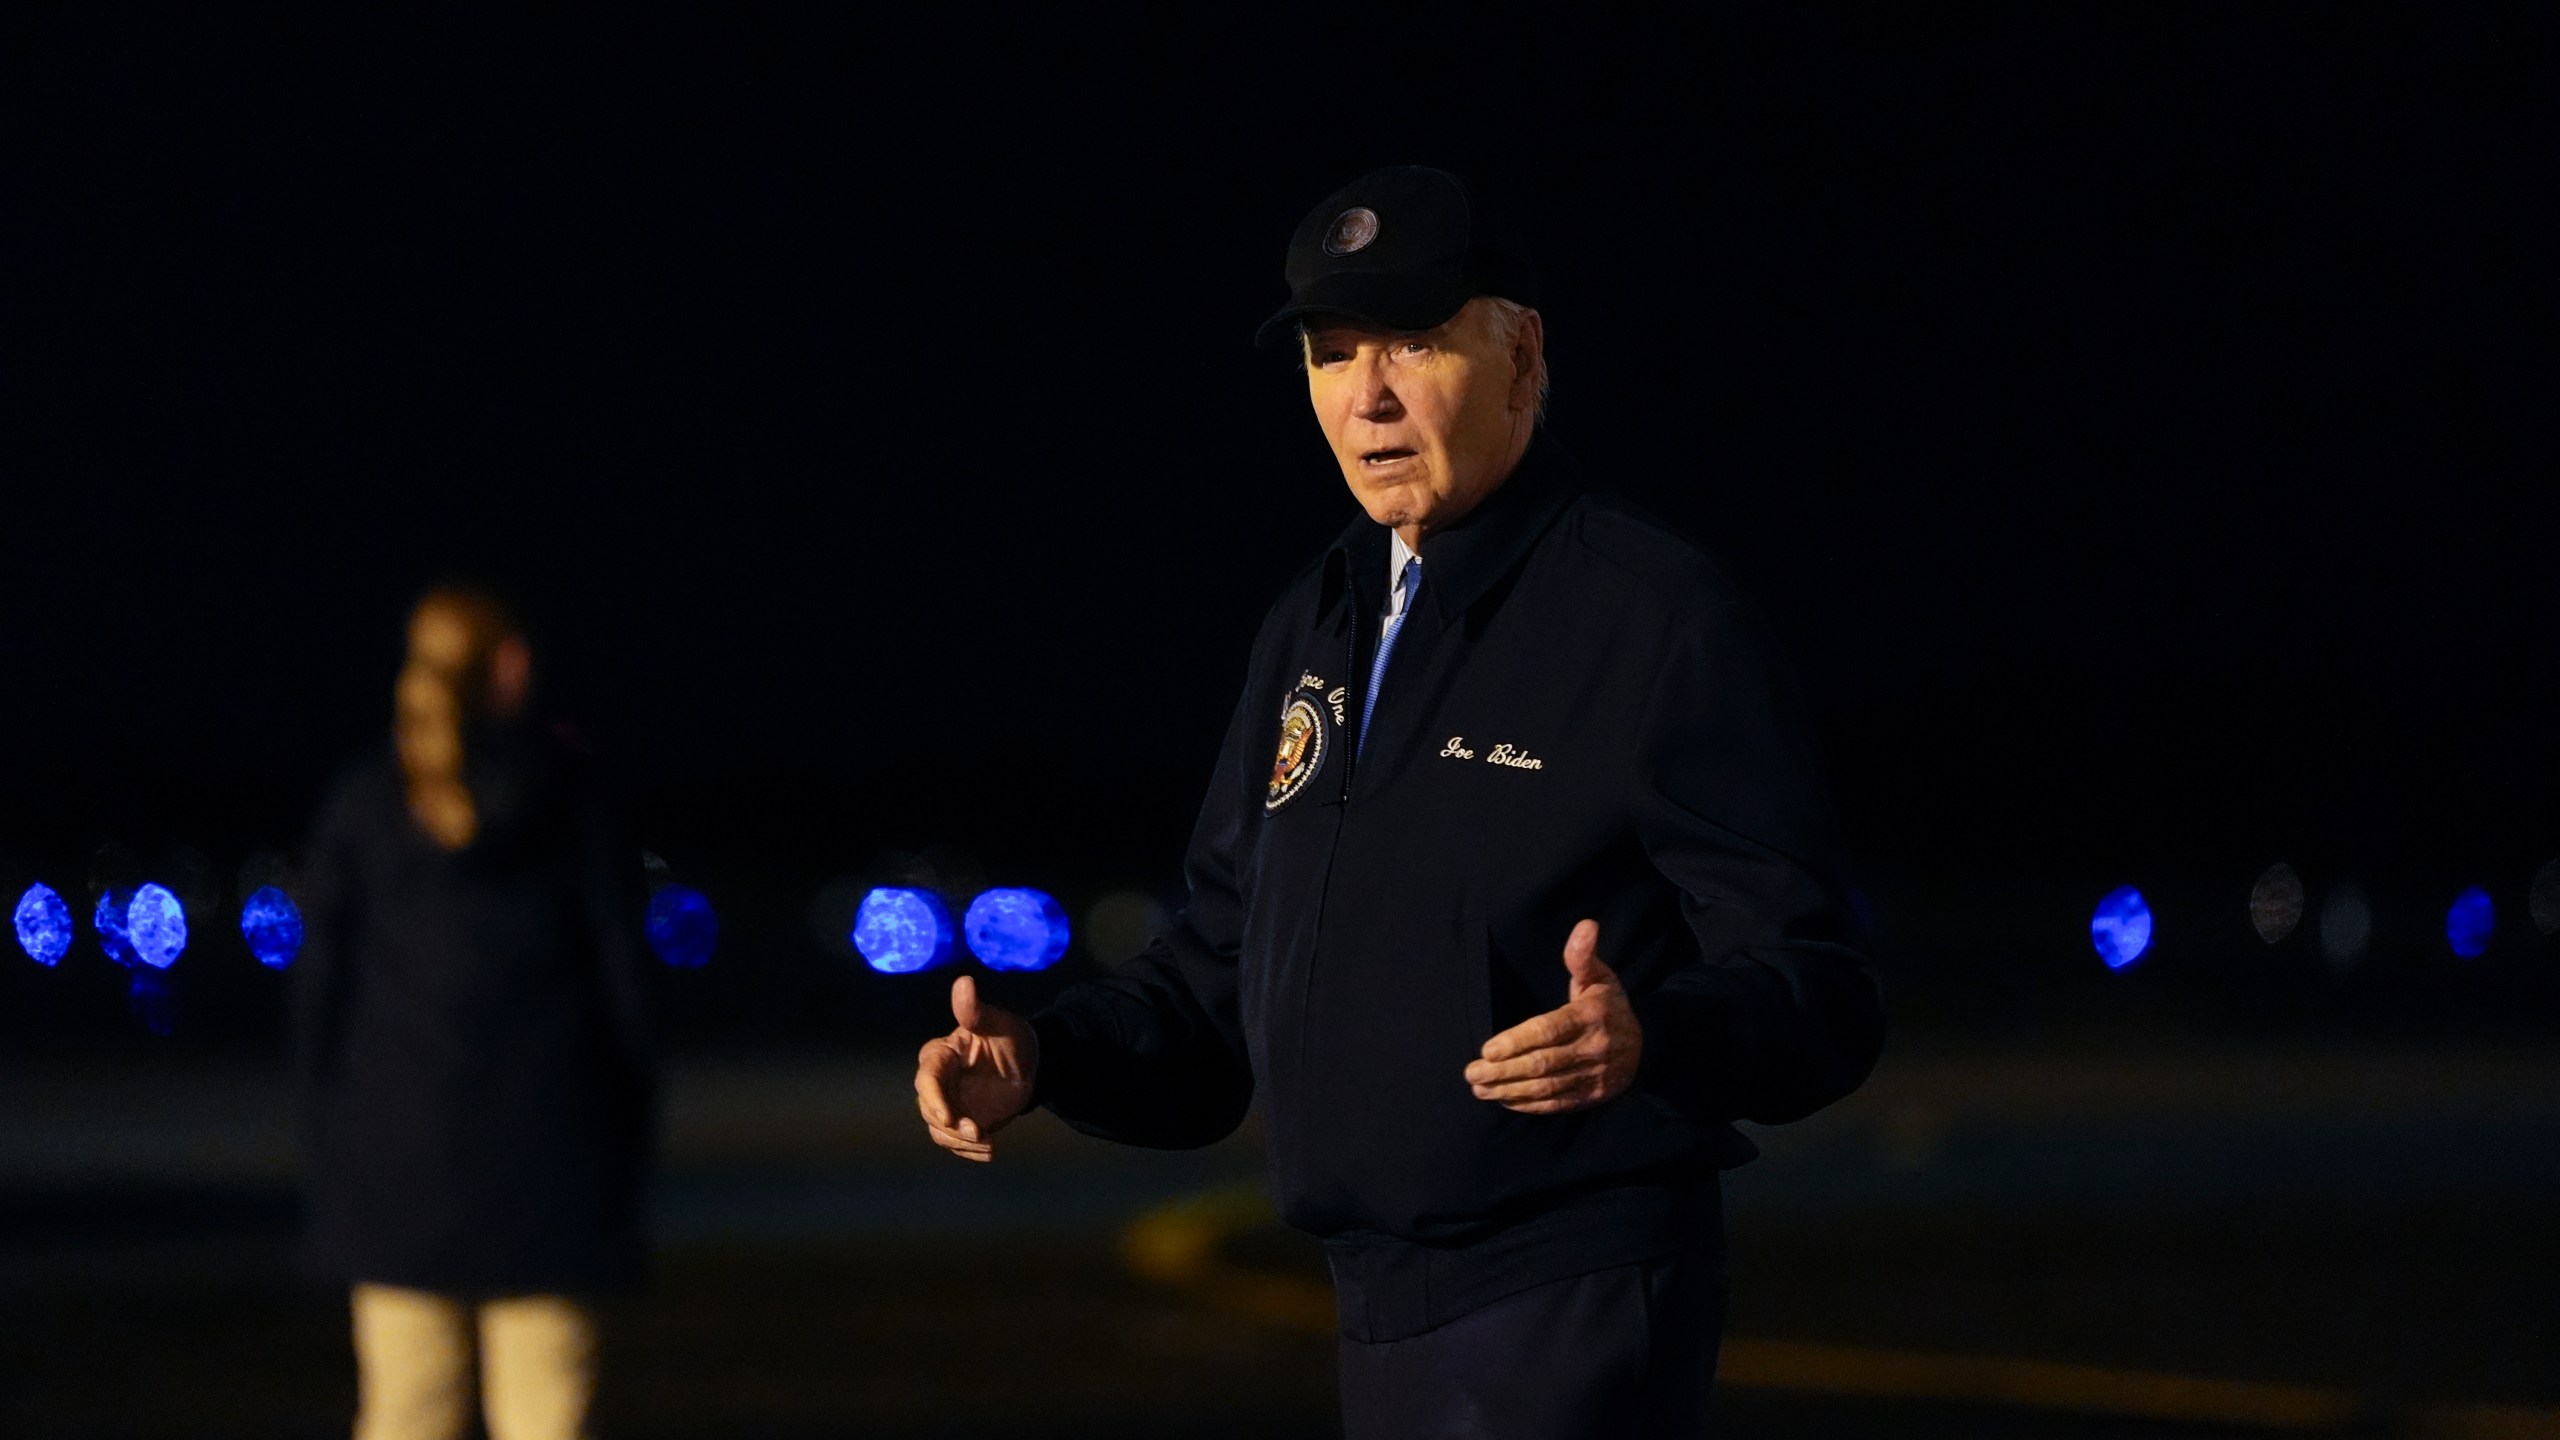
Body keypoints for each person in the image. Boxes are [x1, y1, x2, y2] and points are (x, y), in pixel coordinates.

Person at [913, 165, 1884, 1437]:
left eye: (1416, 344)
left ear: (1523, 355)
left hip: (1568, 1293)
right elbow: (1215, 972)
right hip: (1377, 1314)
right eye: (1331, 355)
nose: (1367, 396)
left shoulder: (1651, 622)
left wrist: (1658, 1036)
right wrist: (1045, 1057)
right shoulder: (1311, 625)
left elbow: (1820, 982)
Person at [294, 584, 654, 1440]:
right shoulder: (575, 804)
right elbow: (628, 1000)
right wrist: (624, 1151)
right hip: (552, 1176)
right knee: (549, 1415)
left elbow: (317, 1003)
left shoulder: (361, 806)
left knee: (405, 1415)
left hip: (395, 1183)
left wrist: (336, 1152)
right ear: (503, 666)